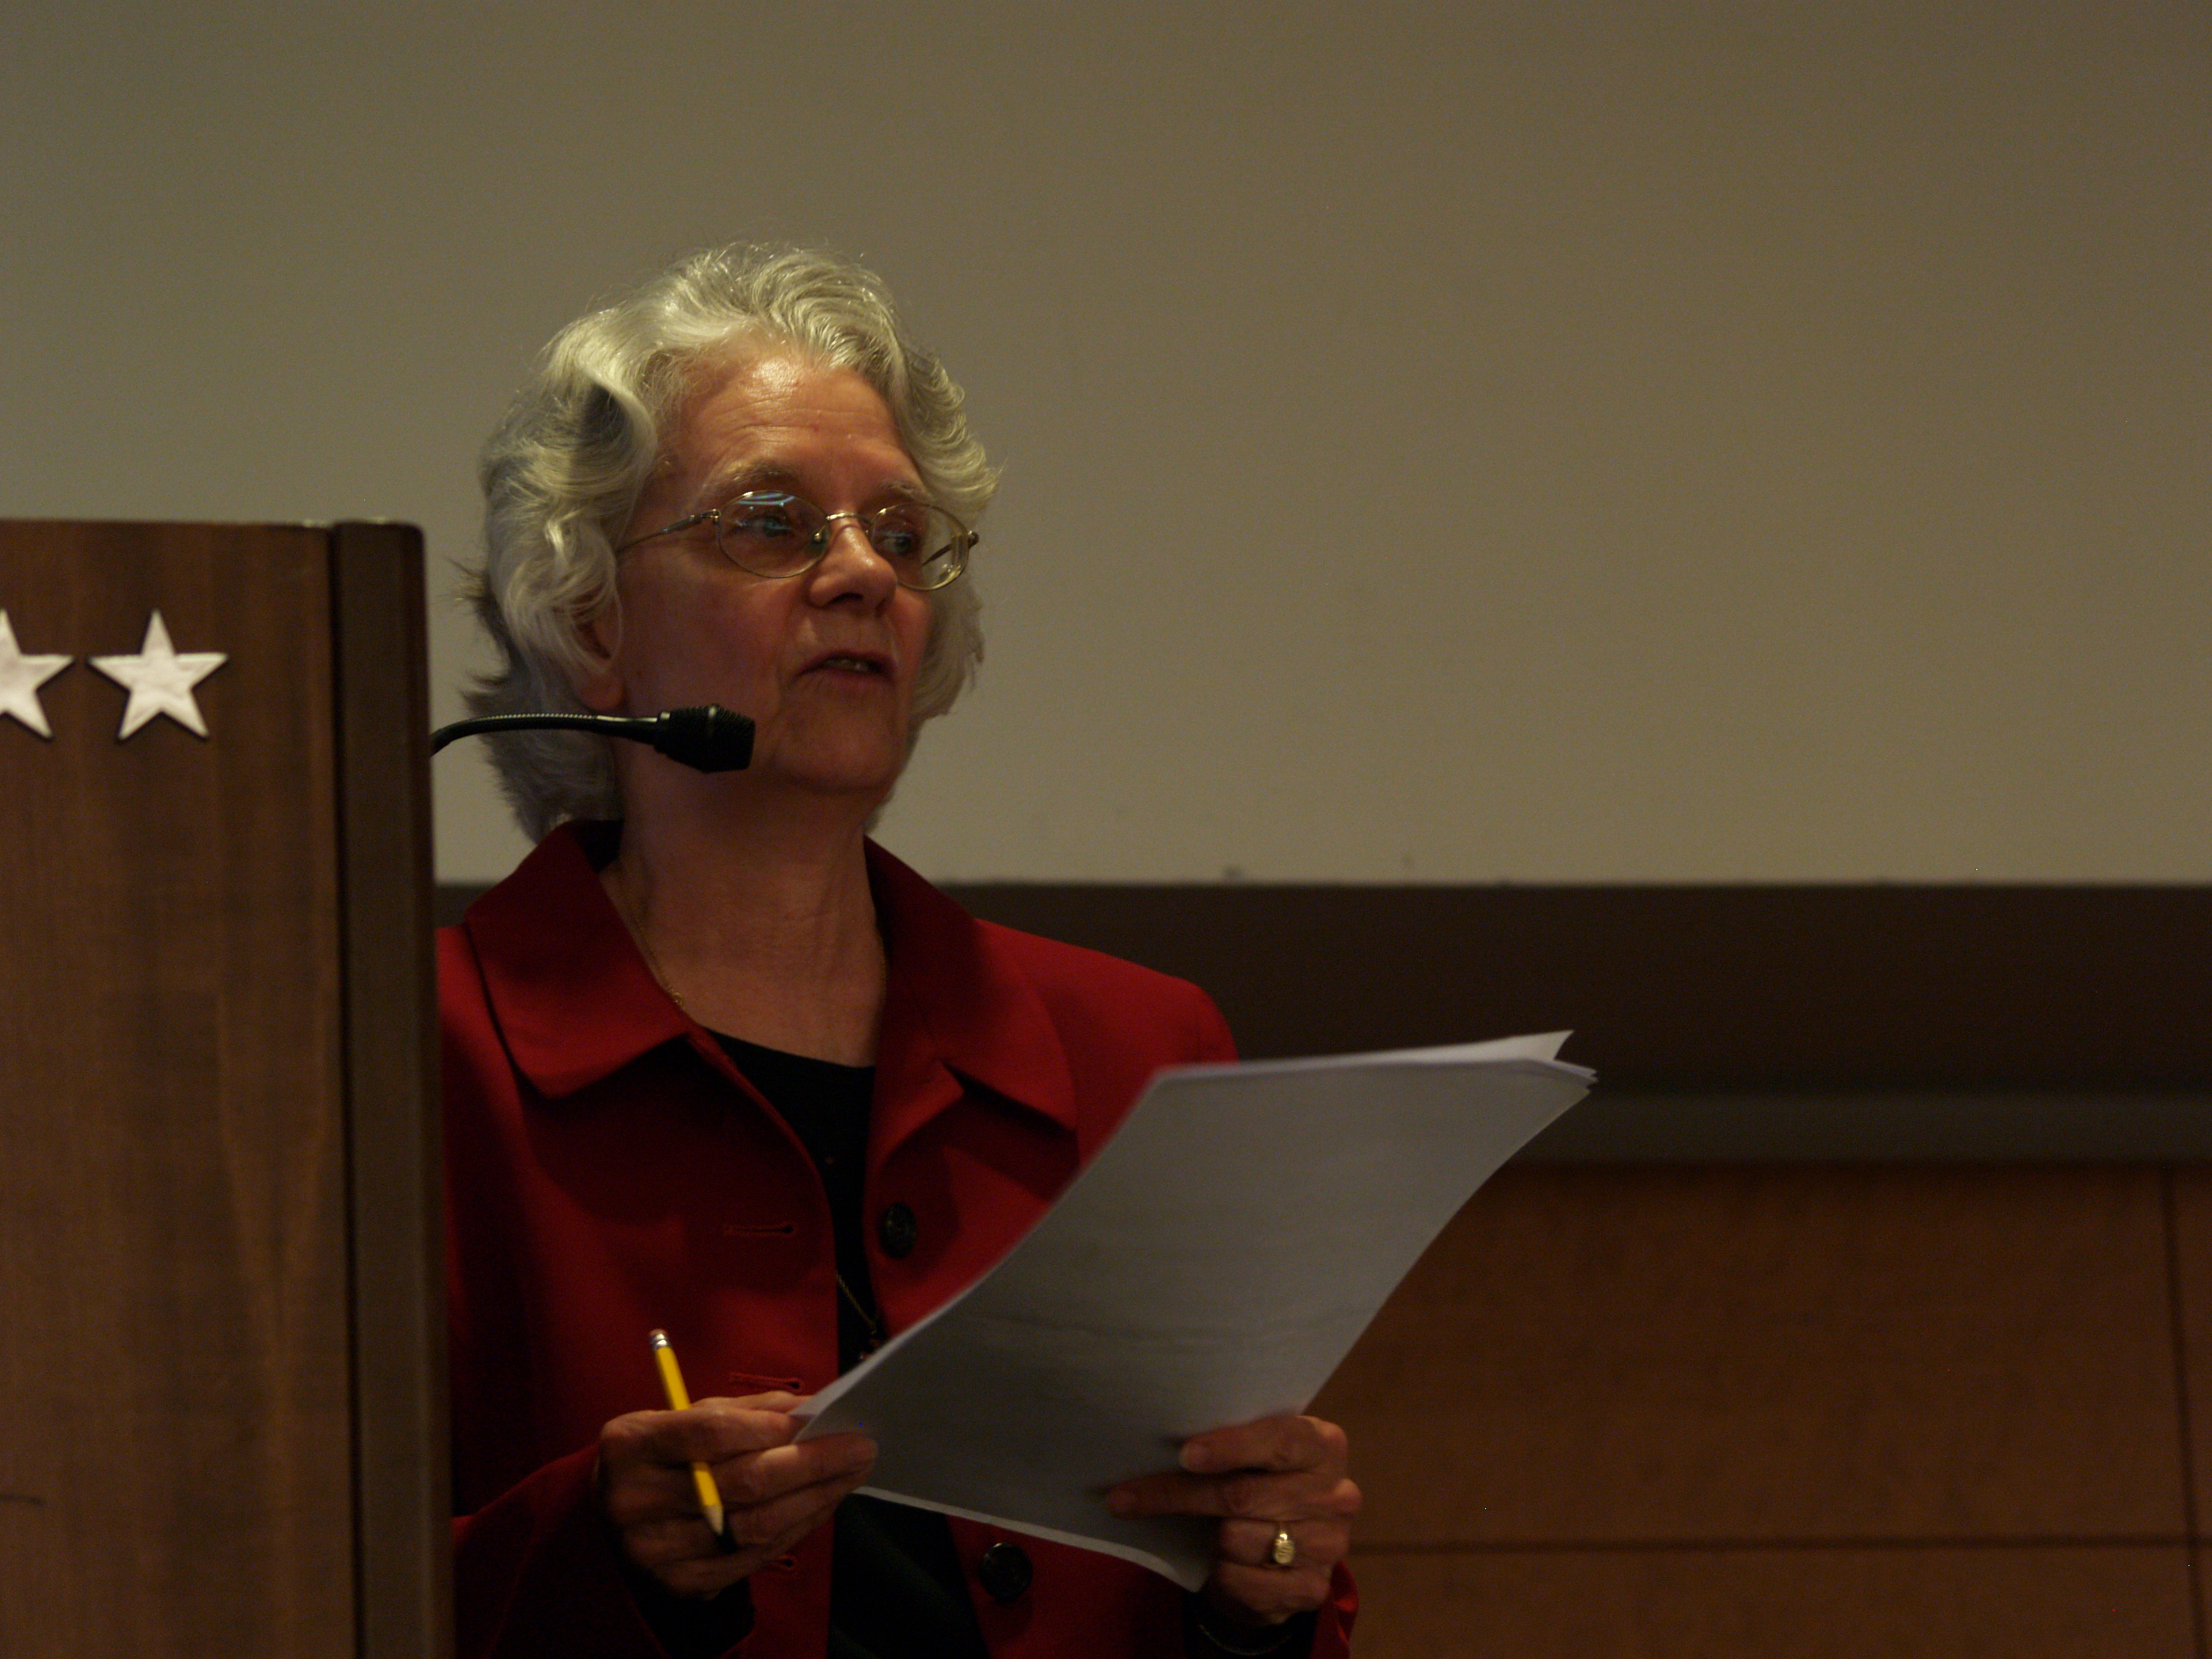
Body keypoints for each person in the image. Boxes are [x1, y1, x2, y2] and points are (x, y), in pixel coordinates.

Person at [443, 245, 1359, 1658]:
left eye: (900, 532)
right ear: (589, 623)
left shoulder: (1137, 1050)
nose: (863, 571)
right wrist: (599, 1546)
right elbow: (285, 1570)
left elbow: (1222, 1577)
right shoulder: (415, 1056)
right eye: (770, 522)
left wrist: (1271, 1575)